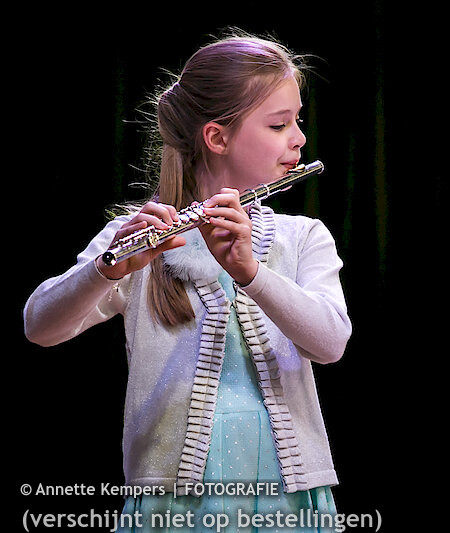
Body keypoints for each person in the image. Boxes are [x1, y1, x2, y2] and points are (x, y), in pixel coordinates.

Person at [23, 31, 351, 532]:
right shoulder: (138, 235)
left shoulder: (302, 236)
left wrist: (251, 273)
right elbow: (39, 327)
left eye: (297, 122)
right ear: (217, 138)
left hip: (289, 494)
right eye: (279, 124)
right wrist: (104, 271)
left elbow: (330, 343)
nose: (299, 139)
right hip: (174, 502)